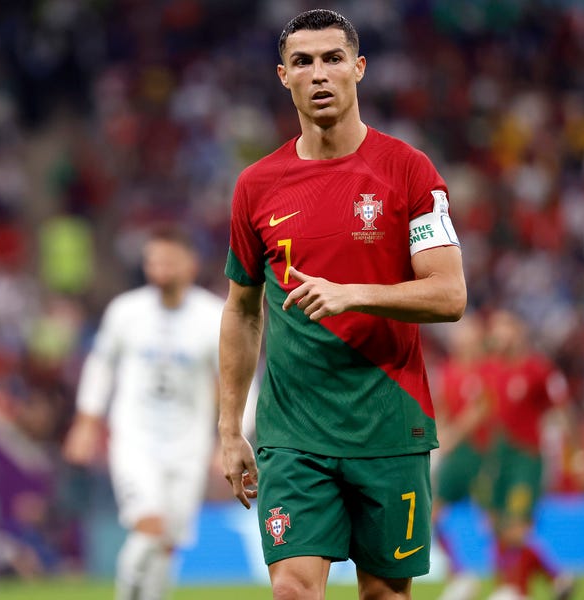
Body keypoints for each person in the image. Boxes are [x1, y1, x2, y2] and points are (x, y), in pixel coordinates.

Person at [218, 9, 466, 600]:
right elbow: (242, 310)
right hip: (294, 431)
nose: (319, 73)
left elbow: (450, 294)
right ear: (283, 76)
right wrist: (229, 429)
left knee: (384, 594)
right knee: (293, 591)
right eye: (303, 62)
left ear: (359, 68)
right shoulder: (256, 185)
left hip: (389, 423)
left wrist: (352, 294)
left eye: (333, 59)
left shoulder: (409, 172)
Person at [63, 224, 229, 600]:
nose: (159, 269)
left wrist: (228, 439)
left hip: (188, 445)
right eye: (153, 261)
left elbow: (237, 383)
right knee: (149, 526)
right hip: (135, 440)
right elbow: (101, 366)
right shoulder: (126, 312)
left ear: (190, 264)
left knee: (167, 544)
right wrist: (86, 421)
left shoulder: (213, 316)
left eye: (168, 261)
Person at [482, 310, 575, 600]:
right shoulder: (492, 370)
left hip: (527, 458)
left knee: (516, 527)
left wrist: (574, 453)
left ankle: (516, 591)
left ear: (517, 332)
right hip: (499, 458)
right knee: (495, 526)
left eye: (504, 327)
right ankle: (554, 577)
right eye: (495, 329)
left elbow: (561, 410)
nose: (498, 334)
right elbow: (487, 411)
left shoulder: (538, 370)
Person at [430, 314, 494, 600]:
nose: (459, 338)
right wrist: (437, 437)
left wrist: (451, 436)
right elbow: (442, 409)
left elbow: (481, 409)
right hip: (457, 457)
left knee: (497, 519)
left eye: (465, 333)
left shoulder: (487, 370)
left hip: (482, 453)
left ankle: (512, 580)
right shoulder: (449, 371)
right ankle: (460, 575)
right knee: (431, 514)